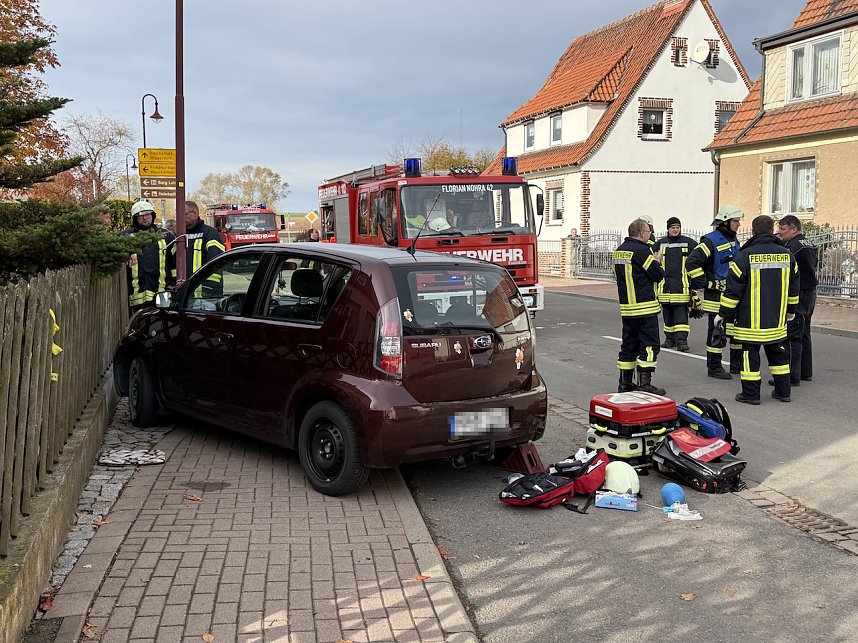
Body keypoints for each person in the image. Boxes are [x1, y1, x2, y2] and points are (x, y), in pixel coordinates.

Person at [718, 215, 799, 405]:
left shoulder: (744, 256)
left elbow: (733, 291)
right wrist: (791, 311)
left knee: (750, 358)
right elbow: (794, 288)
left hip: (750, 321)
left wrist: (723, 314)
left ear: (753, 232)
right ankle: (783, 392)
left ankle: (751, 395)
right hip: (777, 320)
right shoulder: (787, 255)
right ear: (772, 230)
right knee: (779, 355)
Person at [686, 205, 744, 379]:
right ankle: (714, 367)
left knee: (735, 331)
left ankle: (736, 365)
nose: (739, 224)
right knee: (716, 332)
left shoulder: (733, 240)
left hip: (733, 294)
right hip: (716, 297)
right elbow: (691, 263)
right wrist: (707, 283)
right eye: (735, 220)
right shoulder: (710, 241)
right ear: (725, 221)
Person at [613, 218, 666, 395]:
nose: (650, 234)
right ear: (642, 233)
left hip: (627, 308)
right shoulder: (643, 251)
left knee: (629, 344)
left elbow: (616, 275)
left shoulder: (619, 251)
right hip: (645, 307)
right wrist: (657, 261)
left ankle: (625, 383)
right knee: (649, 345)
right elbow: (657, 275)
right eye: (648, 231)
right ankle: (645, 383)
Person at [776, 215, 818, 386]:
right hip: (810, 293)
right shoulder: (809, 243)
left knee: (793, 335)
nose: (780, 233)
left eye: (783, 230)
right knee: (804, 332)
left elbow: (785, 269)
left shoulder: (792, 246)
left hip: (799, 294)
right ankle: (805, 372)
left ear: (794, 229)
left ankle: (791, 376)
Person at [119, 200, 175, 315]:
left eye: (147, 214)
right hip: (134, 294)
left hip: (161, 294)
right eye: (140, 216)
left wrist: (173, 282)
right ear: (135, 218)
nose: (144, 218)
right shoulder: (124, 237)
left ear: (152, 216)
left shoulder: (166, 236)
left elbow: (174, 262)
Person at [653, 217, 697, 352]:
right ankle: (670, 339)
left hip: (681, 287)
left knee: (681, 317)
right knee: (668, 317)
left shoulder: (689, 243)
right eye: (673, 227)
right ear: (668, 229)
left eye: (678, 227)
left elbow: (698, 260)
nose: (675, 230)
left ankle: (682, 341)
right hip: (665, 288)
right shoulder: (659, 245)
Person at [180, 200, 225, 291]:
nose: (180, 217)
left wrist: (209, 287)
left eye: (184, 214)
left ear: (195, 214)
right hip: (185, 292)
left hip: (206, 294)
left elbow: (216, 262)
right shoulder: (180, 236)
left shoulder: (210, 234)